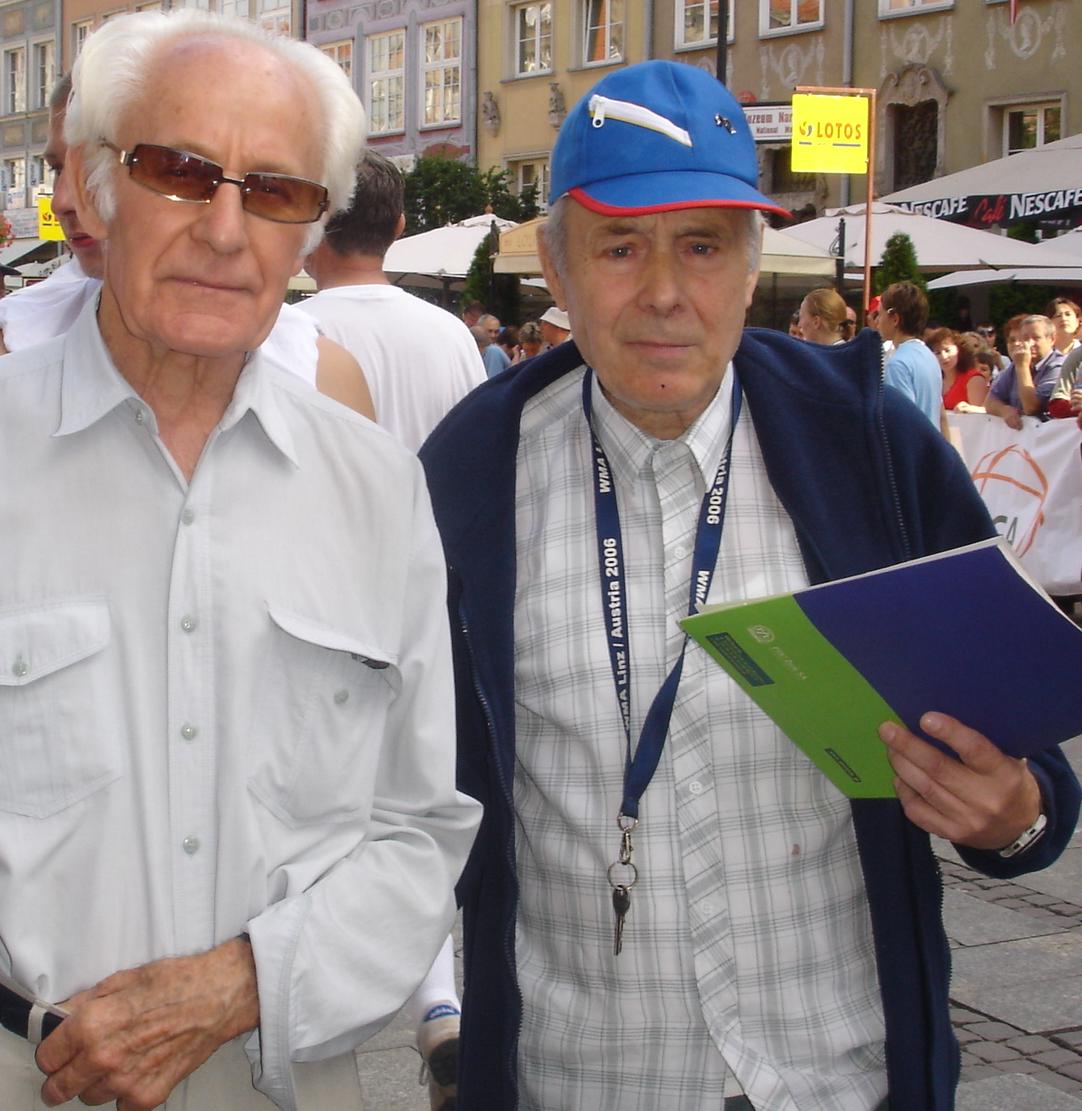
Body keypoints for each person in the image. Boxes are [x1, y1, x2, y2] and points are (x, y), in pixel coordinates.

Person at [419, 60, 1079, 1111]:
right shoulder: (468, 479)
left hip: (837, 1080)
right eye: (620, 246)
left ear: (749, 263)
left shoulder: (867, 445)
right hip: (586, 1081)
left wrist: (1013, 814)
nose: (664, 291)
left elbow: (1029, 761)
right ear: (555, 265)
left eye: (702, 245)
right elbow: (417, 796)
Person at [0, 11, 480, 1109]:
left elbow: (418, 828)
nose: (225, 230)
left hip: (292, 1075)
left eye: (275, 191)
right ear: (96, 192)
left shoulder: (375, 488)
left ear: (310, 233)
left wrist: (237, 985)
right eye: (179, 172)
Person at [0, 71, 375, 422]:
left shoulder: (318, 373)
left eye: (180, 172)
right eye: (57, 169)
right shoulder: (17, 338)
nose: (65, 200)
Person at [298, 150, 484, 453]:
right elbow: (477, 444)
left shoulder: (288, 334)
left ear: (314, 224)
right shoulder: (454, 334)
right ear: (398, 227)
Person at [876, 280, 947, 431]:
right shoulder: (929, 357)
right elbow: (940, 415)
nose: (877, 321)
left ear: (895, 319)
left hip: (912, 445)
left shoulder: (897, 364)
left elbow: (902, 423)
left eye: (880, 314)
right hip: (929, 443)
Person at [984, 314, 1064, 428]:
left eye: (1036, 338)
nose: (1029, 344)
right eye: (1025, 338)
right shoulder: (1016, 364)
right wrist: (1004, 410)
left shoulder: (1058, 365)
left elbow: (1031, 408)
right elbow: (990, 402)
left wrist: (1022, 367)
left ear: (1051, 339)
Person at [927, 326, 988, 410]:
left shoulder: (973, 378)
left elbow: (984, 413)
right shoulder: (934, 380)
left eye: (947, 350)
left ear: (958, 349)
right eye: (937, 353)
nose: (944, 357)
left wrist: (970, 409)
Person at [479, 312, 510, 377]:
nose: (493, 335)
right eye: (489, 331)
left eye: (496, 332)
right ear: (480, 330)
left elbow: (493, 380)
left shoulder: (493, 350)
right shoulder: (489, 350)